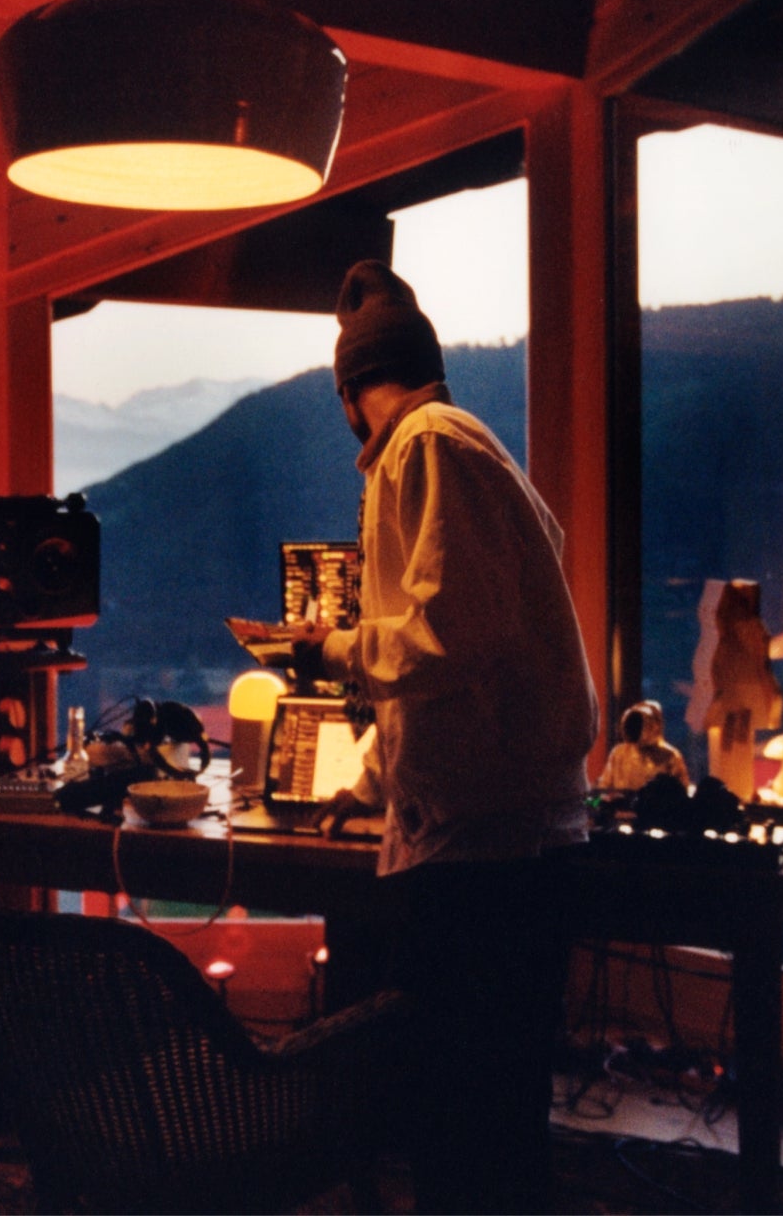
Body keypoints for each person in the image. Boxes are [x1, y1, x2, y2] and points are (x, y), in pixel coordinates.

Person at [296, 259, 597, 1213]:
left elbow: (448, 634)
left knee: (465, 1120)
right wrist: (373, 784)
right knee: (487, 1111)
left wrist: (334, 644)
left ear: (350, 391)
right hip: (493, 838)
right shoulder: (458, 446)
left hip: (486, 853)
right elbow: (457, 674)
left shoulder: (427, 446)